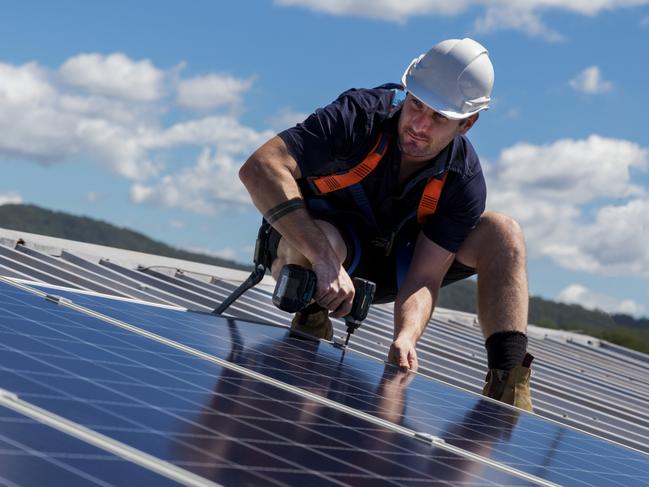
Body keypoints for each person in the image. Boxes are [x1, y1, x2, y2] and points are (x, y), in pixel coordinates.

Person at [239, 38, 534, 411]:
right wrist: (324, 259)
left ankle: (508, 389)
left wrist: (407, 337)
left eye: (439, 117)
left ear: (467, 124)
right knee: (326, 241)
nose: (419, 126)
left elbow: (425, 278)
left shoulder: (462, 180)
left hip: (395, 268)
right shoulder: (358, 116)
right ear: (407, 92)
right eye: (416, 106)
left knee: (503, 233)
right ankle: (311, 316)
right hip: (317, 251)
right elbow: (260, 167)